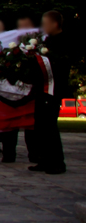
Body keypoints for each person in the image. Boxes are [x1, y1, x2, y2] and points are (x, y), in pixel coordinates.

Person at [29, 10, 68, 174]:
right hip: (41, 88)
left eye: (46, 23)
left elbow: (59, 65)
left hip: (52, 89)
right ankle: (44, 159)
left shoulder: (63, 42)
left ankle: (57, 162)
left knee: (49, 125)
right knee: (40, 125)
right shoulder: (46, 41)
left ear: (54, 23)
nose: (43, 27)